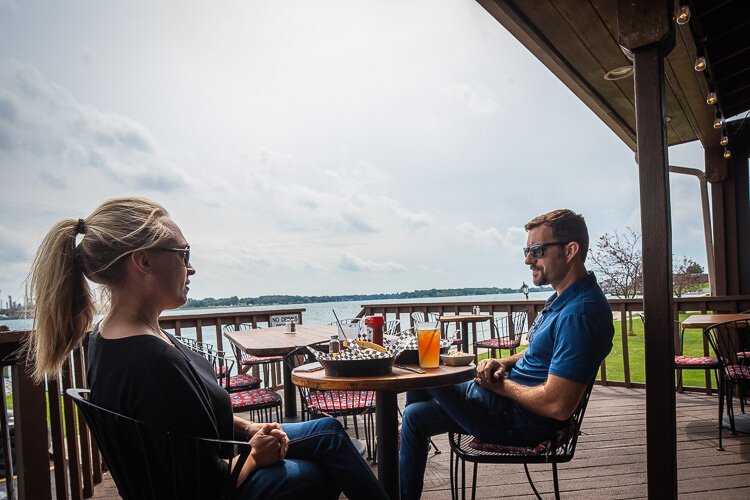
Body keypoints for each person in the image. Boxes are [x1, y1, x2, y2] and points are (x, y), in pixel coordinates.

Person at [27, 197, 387, 500]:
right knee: (324, 467)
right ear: (144, 261)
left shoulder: (109, 338)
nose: (191, 267)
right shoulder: (150, 361)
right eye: (183, 253)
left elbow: (184, 425)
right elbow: (196, 483)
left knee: (327, 431)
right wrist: (256, 458)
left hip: (220, 450)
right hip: (220, 483)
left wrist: (247, 431)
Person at [399, 209, 614, 499]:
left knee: (423, 370)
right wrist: (503, 361)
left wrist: (499, 385)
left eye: (536, 250)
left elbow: (558, 405)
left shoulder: (581, 314)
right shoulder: (565, 300)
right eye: (527, 251)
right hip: (504, 405)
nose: (528, 260)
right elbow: (537, 354)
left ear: (570, 250)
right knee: (414, 414)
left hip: (518, 421)